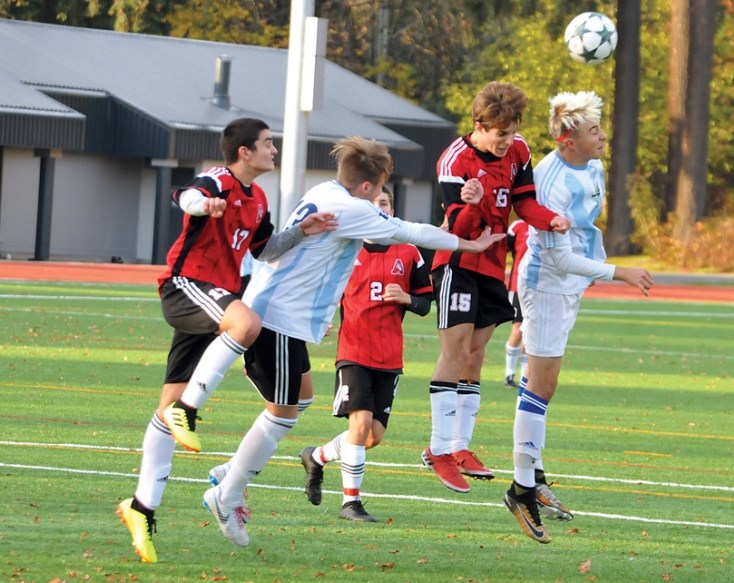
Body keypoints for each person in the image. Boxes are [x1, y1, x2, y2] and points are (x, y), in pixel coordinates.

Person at [200, 136, 504, 547]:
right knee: (284, 415)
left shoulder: (324, 190)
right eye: (379, 189)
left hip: (279, 314)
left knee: (300, 399)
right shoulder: (353, 209)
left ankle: (235, 470)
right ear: (366, 187)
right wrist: (469, 243)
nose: (380, 195)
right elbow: (408, 230)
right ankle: (228, 493)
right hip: (277, 319)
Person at [116, 117, 337, 564]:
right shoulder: (219, 180)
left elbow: (264, 249)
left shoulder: (257, 197)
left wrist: (302, 232)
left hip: (214, 300)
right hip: (187, 285)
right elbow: (184, 194)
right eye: (268, 144)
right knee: (247, 325)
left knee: (164, 410)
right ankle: (189, 410)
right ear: (244, 152)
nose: (273, 150)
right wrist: (202, 207)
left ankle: (141, 507)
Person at [504, 91, 654, 544]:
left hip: (570, 284)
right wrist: (618, 272)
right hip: (547, 285)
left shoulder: (593, 164)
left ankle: (534, 473)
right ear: (568, 140)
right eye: (593, 130)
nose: (603, 135)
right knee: (541, 385)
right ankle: (521, 489)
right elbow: (561, 260)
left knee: (540, 383)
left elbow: (586, 231)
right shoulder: (550, 182)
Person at [422, 81, 571, 494]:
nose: (508, 140)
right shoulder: (454, 160)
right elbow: (456, 229)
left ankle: (460, 446)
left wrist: (549, 219)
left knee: (476, 354)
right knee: (454, 351)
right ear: (479, 125)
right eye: (500, 133)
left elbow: (525, 202)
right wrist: (469, 203)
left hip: (491, 263)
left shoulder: (519, 149)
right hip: (458, 262)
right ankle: (438, 450)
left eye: (512, 131)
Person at [298, 186, 434, 522]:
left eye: (385, 203)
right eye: (372, 204)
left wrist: (407, 299)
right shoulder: (346, 248)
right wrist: (321, 319)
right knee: (359, 425)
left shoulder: (409, 251)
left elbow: (426, 303)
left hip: (390, 355)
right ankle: (350, 504)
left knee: (372, 436)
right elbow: (321, 290)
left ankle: (316, 456)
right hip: (354, 350)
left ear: (391, 208)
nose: (380, 208)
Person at [504, 219, 529, 389]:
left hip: (540, 289)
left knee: (531, 334)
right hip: (518, 286)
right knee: (518, 330)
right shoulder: (518, 227)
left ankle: (525, 378)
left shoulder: (550, 224)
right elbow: (501, 249)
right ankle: (509, 374)